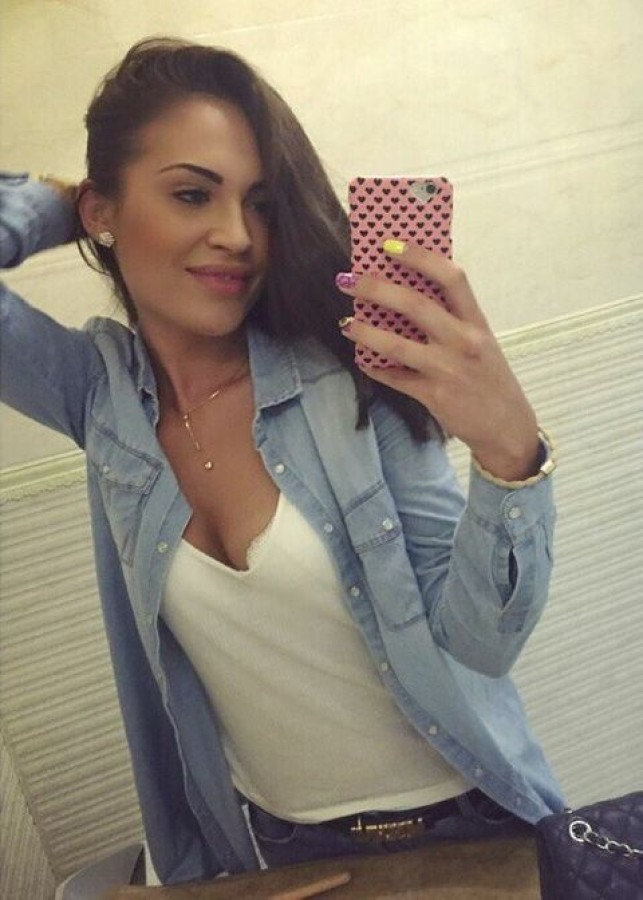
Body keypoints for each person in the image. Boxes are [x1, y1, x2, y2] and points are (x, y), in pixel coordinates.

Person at [0, 37, 564, 885]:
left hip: (469, 826)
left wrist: (508, 454)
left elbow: (481, 644)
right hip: (278, 855)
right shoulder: (99, 398)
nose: (237, 236)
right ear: (102, 210)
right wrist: (52, 201)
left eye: (260, 204)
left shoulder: (350, 378)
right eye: (192, 193)